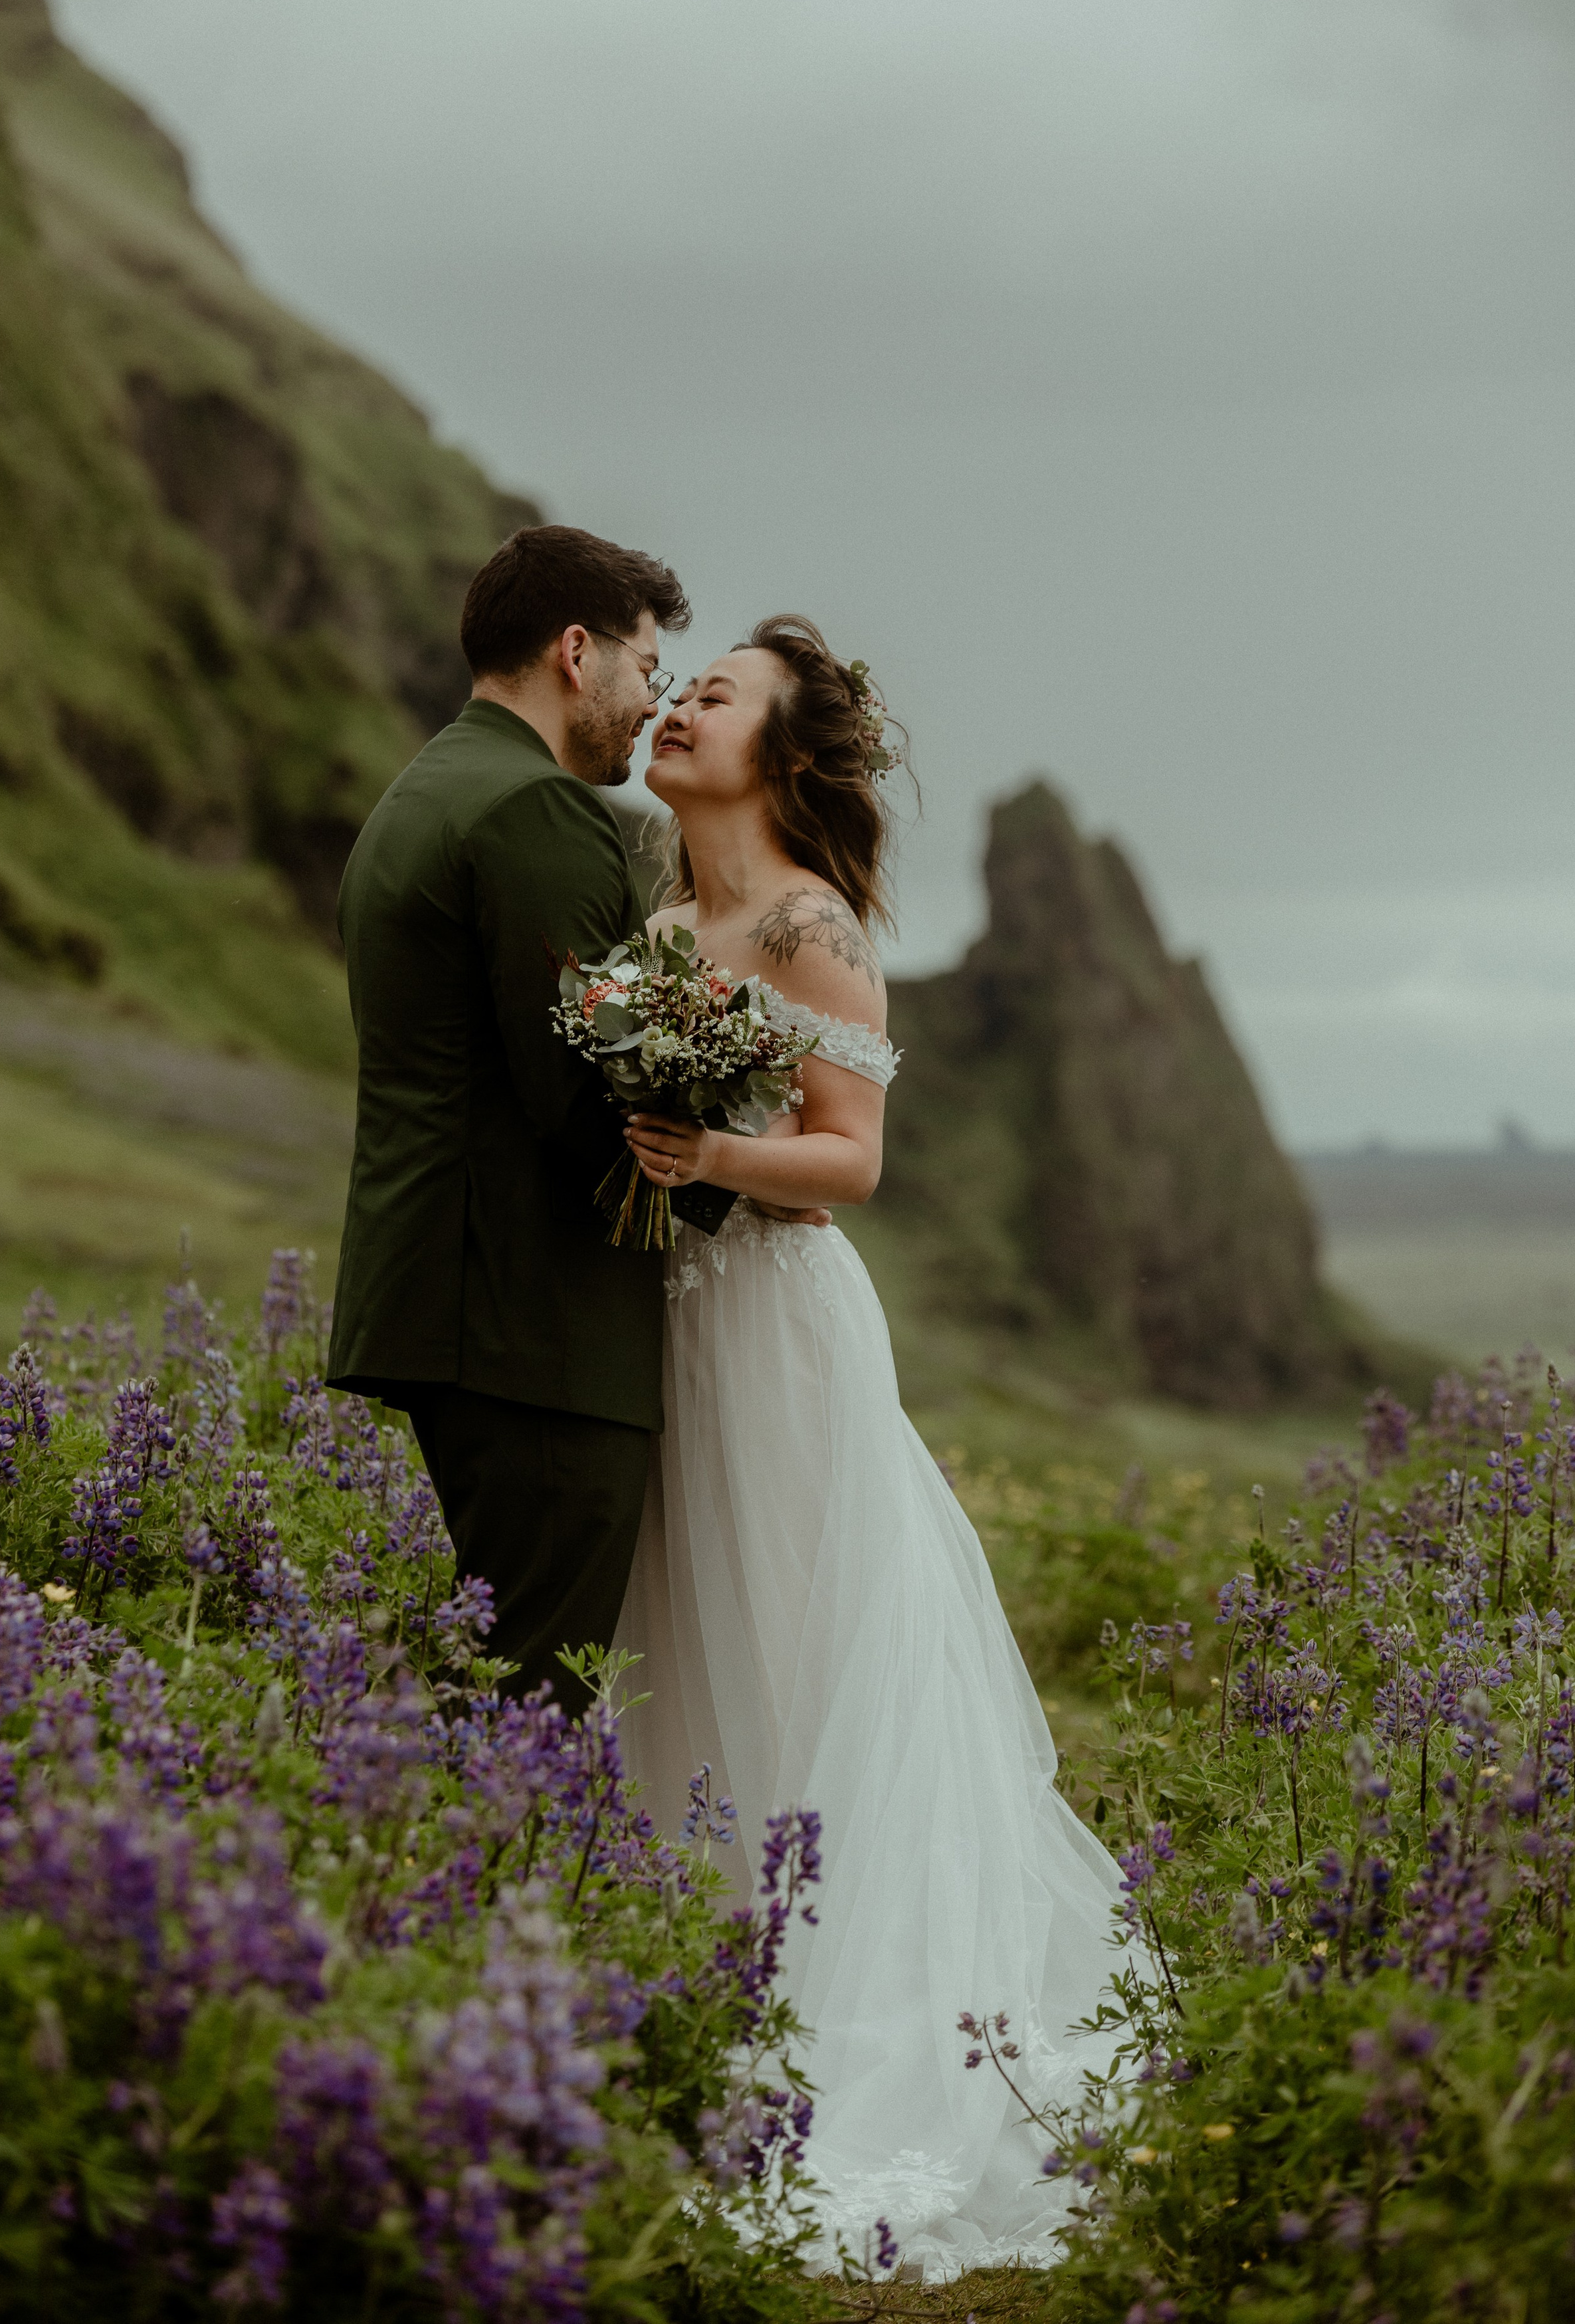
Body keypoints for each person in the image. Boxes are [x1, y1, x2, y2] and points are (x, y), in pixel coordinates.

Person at [611, 615, 1122, 2277]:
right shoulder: (660, 908)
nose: (680, 706)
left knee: (802, 1633)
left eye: (716, 698)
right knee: (684, 1638)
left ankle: (852, 2023)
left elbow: (853, 1159)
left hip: (772, 1317)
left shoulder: (807, 920)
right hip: (669, 1315)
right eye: (679, 687)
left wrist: (706, 1153)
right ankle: (701, 1995)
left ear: (783, 756)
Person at [326, 522, 723, 1719]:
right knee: (531, 1704)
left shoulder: (424, 789)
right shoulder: (534, 813)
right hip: (534, 1324)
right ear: (575, 651)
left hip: (459, 1306)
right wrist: (736, 1180)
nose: (650, 704)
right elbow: (586, 1089)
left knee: (494, 1677)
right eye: (647, 670)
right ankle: (468, 1904)